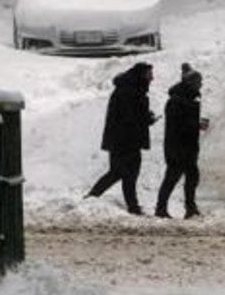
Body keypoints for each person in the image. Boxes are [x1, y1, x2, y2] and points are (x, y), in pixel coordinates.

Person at [87, 62, 156, 215]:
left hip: (125, 140)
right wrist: (146, 119)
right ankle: (95, 198)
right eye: (149, 74)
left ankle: (95, 198)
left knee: (122, 173)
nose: (152, 78)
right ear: (141, 74)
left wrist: (145, 117)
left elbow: (133, 114)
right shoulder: (129, 91)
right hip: (124, 141)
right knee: (124, 173)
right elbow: (128, 117)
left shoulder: (131, 89)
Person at [155, 64, 206, 219]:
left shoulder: (190, 98)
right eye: (199, 82)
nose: (201, 84)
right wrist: (197, 125)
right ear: (190, 83)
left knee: (192, 176)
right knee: (172, 177)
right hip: (177, 146)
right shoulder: (176, 100)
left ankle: (190, 208)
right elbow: (176, 124)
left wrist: (196, 124)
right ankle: (161, 208)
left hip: (188, 145)